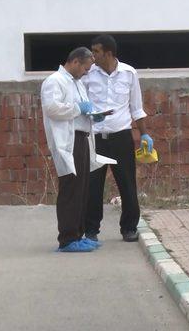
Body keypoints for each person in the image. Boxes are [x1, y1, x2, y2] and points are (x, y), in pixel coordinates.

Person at [83, 34, 153, 242]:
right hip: (95, 137)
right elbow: (82, 105)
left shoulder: (129, 74)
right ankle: (91, 229)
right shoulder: (88, 75)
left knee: (127, 182)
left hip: (121, 136)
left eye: (96, 51)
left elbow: (136, 108)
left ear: (109, 53)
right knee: (93, 185)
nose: (92, 56)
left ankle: (129, 228)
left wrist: (144, 134)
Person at [41, 47, 107, 252]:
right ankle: (67, 238)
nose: (86, 73)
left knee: (82, 189)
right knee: (71, 188)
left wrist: (94, 114)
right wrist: (80, 109)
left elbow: (80, 108)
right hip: (68, 142)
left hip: (82, 139)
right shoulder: (54, 81)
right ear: (76, 62)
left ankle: (78, 234)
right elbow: (52, 108)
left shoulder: (77, 83)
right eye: (85, 68)